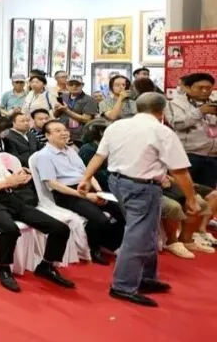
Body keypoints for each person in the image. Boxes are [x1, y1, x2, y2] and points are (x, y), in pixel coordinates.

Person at [75, 93, 197, 307]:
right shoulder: (161, 131)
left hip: (118, 182)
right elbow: (179, 170)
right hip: (141, 187)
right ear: (162, 111)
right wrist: (191, 199)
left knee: (147, 231)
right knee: (138, 235)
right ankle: (122, 285)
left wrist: (86, 178)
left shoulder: (117, 126)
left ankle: (145, 277)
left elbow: (99, 156)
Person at [0, 126, 74, 292]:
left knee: (60, 228)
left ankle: (46, 266)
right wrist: (6, 183)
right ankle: (4, 269)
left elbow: (8, 179)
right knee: (10, 229)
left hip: (10, 197)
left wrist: (19, 177)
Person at [34, 120, 125, 264]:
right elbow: (53, 184)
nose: (64, 133)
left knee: (121, 210)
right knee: (100, 219)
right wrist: (86, 196)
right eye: (58, 131)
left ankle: (114, 244)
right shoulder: (43, 156)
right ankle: (94, 249)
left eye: (65, 130)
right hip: (67, 194)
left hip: (85, 187)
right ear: (47, 135)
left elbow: (87, 173)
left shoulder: (71, 150)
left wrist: (99, 191)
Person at [167, 73, 217, 187]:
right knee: (184, 190)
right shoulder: (174, 104)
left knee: (208, 191)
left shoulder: (213, 103)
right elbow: (177, 124)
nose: (205, 91)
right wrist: (200, 112)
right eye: (200, 88)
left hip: (212, 156)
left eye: (208, 88)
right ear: (187, 88)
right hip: (189, 155)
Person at [56, 76, 99, 142]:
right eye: (71, 84)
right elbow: (56, 115)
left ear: (82, 85)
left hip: (79, 136)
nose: (74, 86)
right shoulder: (63, 96)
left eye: (77, 84)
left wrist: (67, 110)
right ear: (67, 85)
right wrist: (57, 109)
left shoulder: (90, 100)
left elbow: (86, 119)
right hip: (62, 132)